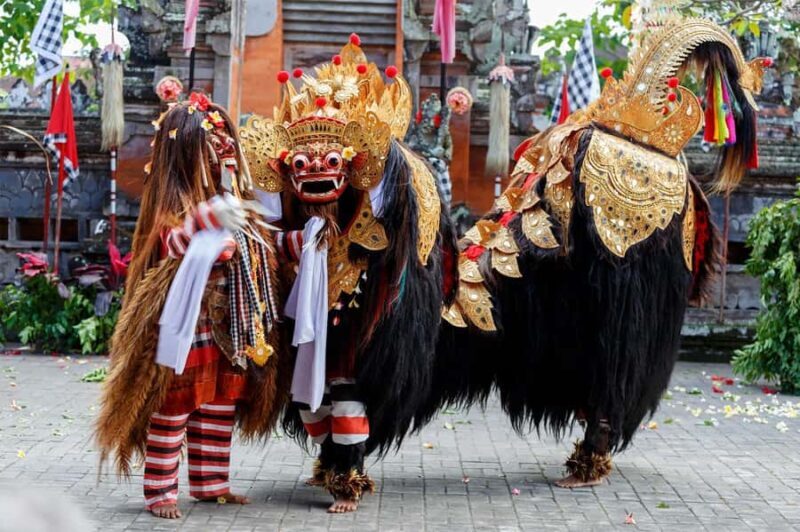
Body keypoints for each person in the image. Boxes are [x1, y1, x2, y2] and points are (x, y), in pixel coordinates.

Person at [419, 17, 769, 488]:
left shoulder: (626, 170)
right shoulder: (572, 144)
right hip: (554, 244)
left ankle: (598, 440)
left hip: (611, 253)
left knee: (613, 315)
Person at [238, 34, 458, 513]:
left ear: (354, 167)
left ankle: (350, 475)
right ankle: (330, 455)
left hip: (358, 301)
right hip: (307, 305)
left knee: (347, 385)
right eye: (302, 164)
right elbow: (268, 235)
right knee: (309, 399)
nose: (317, 173)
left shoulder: (379, 210)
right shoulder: (289, 218)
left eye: (331, 162)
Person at [95, 93, 290, 518]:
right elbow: (173, 243)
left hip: (232, 325)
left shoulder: (237, 203)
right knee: (175, 405)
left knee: (220, 403)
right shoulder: (173, 210)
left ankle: (210, 483)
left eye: (224, 149)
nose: (222, 157)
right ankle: (160, 491)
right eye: (211, 151)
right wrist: (207, 221)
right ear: (186, 156)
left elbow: (264, 244)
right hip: (190, 323)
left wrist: (299, 243)